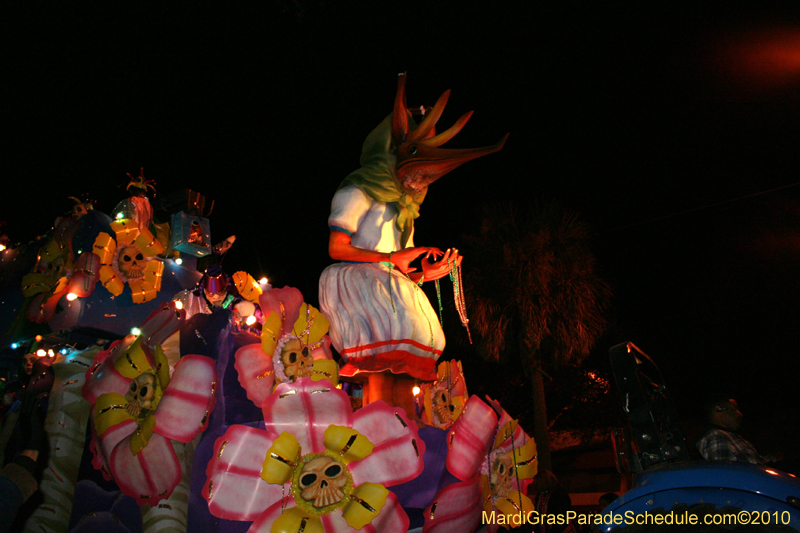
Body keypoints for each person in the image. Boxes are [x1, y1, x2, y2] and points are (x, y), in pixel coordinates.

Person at [696, 395, 779, 464]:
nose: (740, 413)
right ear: (719, 409)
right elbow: (727, 476)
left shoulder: (727, 436)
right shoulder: (716, 436)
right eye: (735, 408)